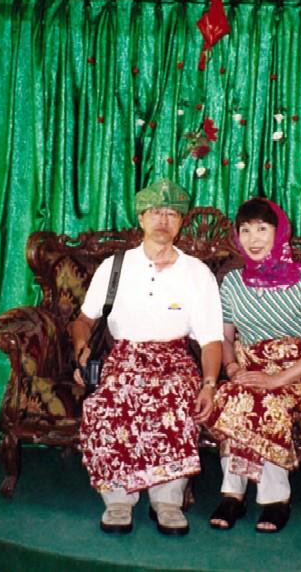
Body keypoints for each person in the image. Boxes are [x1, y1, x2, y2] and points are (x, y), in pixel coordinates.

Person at [70, 178, 223, 536]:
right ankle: (118, 499)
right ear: (141, 218)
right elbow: (84, 321)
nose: (163, 220)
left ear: (181, 222)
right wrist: (81, 352)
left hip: (174, 358)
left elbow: (211, 340)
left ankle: (167, 500)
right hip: (124, 357)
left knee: (175, 399)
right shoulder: (115, 266)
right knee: (108, 402)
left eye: (172, 214)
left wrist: (209, 384)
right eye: (155, 212)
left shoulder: (197, 273)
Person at [205, 197, 301, 533]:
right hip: (249, 369)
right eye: (245, 230)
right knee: (232, 396)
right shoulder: (232, 282)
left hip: (299, 373)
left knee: (265, 400)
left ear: (279, 232)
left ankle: (275, 499)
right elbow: (225, 338)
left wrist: (277, 380)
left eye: (262, 228)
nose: (253, 238)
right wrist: (232, 368)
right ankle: (232, 495)